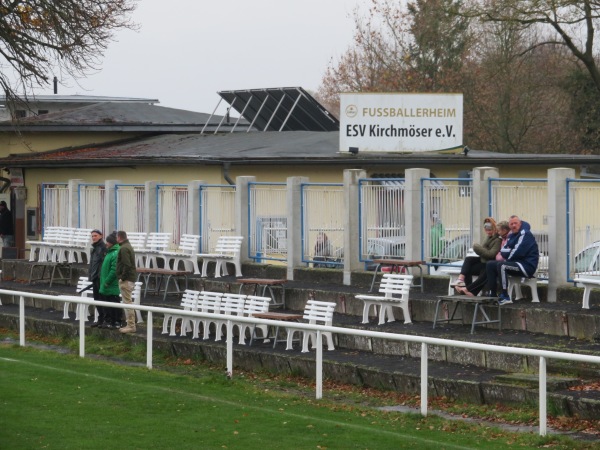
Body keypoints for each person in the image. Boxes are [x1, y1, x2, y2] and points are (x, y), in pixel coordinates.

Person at [484, 215, 539, 305]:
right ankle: (493, 294)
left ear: (520, 224)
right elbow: (503, 251)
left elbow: (518, 252)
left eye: (515, 223)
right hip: (516, 263)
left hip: (526, 266)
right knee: (490, 264)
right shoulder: (511, 236)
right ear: (509, 226)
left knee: (502, 265)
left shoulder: (525, 233)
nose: (513, 225)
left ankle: (505, 296)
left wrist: (508, 256)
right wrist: (510, 252)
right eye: (511, 224)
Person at [457, 220, 510, 297]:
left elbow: (491, 254)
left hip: (491, 263)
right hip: (485, 262)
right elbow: (484, 248)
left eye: (490, 230)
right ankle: (461, 280)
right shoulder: (488, 238)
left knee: (485, 272)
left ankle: (469, 289)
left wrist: (477, 248)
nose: (488, 232)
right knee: (469, 261)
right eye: (486, 230)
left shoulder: (498, 240)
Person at [99, 233, 122, 328]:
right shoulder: (110, 252)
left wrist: (107, 281)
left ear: (112, 242)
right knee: (108, 304)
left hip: (111, 284)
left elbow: (114, 270)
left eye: (108, 241)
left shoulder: (115, 253)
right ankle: (109, 321)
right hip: (106, 284)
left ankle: (116, 322)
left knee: (114, 304)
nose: (106, 243)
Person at [116, 230, 137, 333]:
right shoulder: (128, 246)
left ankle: (131, 325)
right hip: (129, 278)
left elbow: (126, 264)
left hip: (126, 279)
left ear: (119, 237)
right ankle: (130, 324)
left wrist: (122, 278)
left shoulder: (124, 248)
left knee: (127, 303)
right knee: (127, 302)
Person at [88, 229, 107, 327]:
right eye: (92, 236)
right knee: (97, 300)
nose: (93, 237)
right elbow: (92, 264)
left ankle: (105, 320)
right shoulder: (94, 248)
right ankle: (100, 319)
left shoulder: (103, 248)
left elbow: (103, 264)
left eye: (95, 235)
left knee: (102, 299)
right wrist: (90, 276)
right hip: (95, 277)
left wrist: (100, 276)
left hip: (100, 278)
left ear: (101, 236)